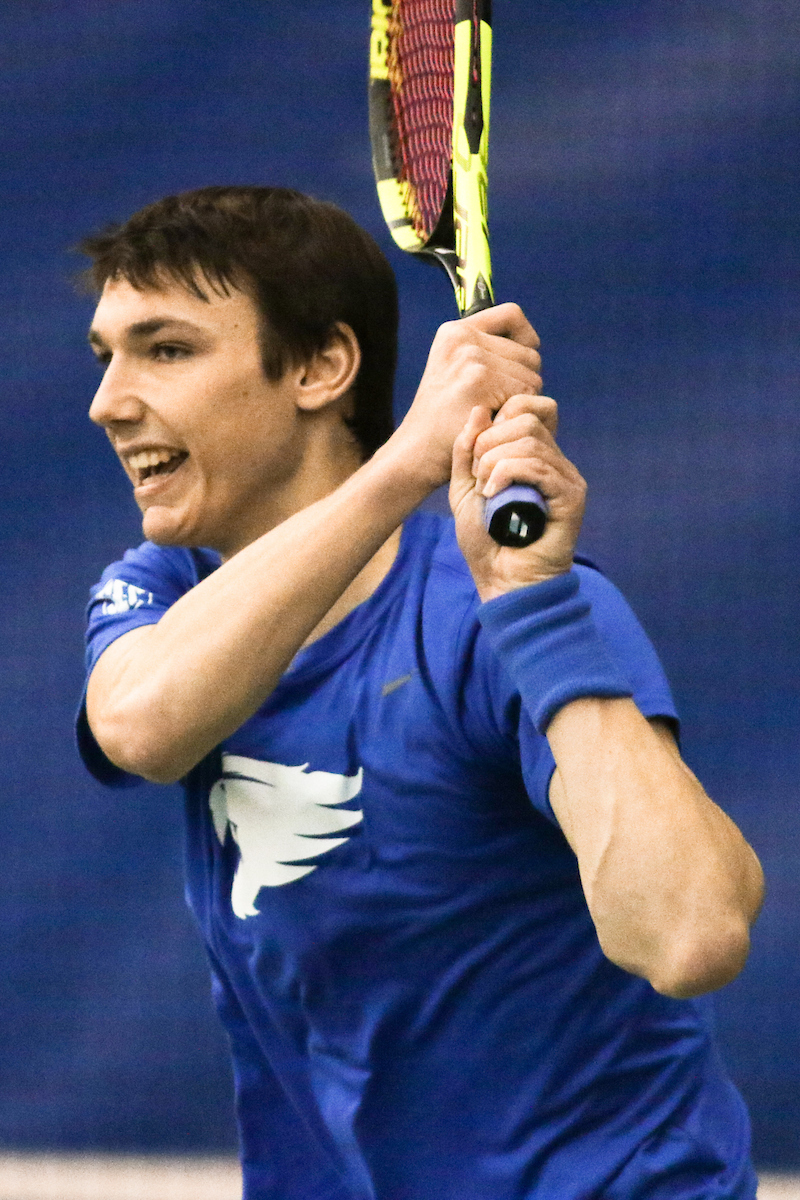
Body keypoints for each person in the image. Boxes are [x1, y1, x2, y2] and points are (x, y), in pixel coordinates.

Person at [76, 185, 763, 1200]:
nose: (109, 400)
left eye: (165, 349)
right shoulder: (166, 590)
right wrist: (406, 462)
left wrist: (531, 609)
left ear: (319, 367)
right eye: (107, 355)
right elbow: (144, 727)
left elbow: (689, 936)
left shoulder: (496, 614)